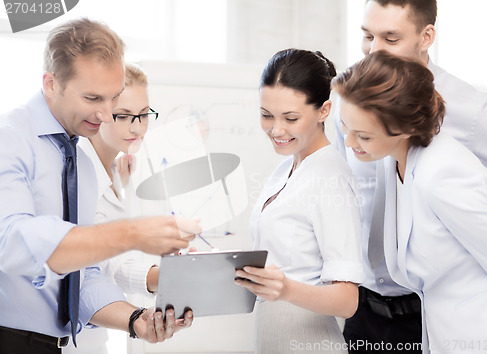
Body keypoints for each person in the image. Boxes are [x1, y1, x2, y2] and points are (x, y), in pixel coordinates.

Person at [0, 18, 198, 354]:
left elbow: (82, 277)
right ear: (50, 83)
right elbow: (12, 242)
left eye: (113, 98)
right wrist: (130, 234)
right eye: (93, 98)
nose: (107, 115)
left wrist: (137, 320)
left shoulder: (80, 162)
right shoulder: (10, 140)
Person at [334, 1, 487, 352]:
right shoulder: (359, 101)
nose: (375, 50)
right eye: (367, 36)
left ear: (426, 37)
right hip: (377, 307)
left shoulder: (448, 158)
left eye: (390, 38)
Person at [235, 49, 364, 354]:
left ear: (323, 110)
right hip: (275, 336)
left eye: (290, 118)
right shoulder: (286, 169)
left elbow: (347, 301)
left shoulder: (331, 178)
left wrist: (287, 289)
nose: (276, 130)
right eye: (267, 115)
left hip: (311, 342)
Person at [63, 63, 162, 354]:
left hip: (101, 334)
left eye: (144, 115)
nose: (137, 127)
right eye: (124, 116)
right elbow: (100, 265)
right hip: (72, 337)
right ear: (100, 114)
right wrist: (165, 276)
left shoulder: (121, 172)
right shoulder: (76, 175)